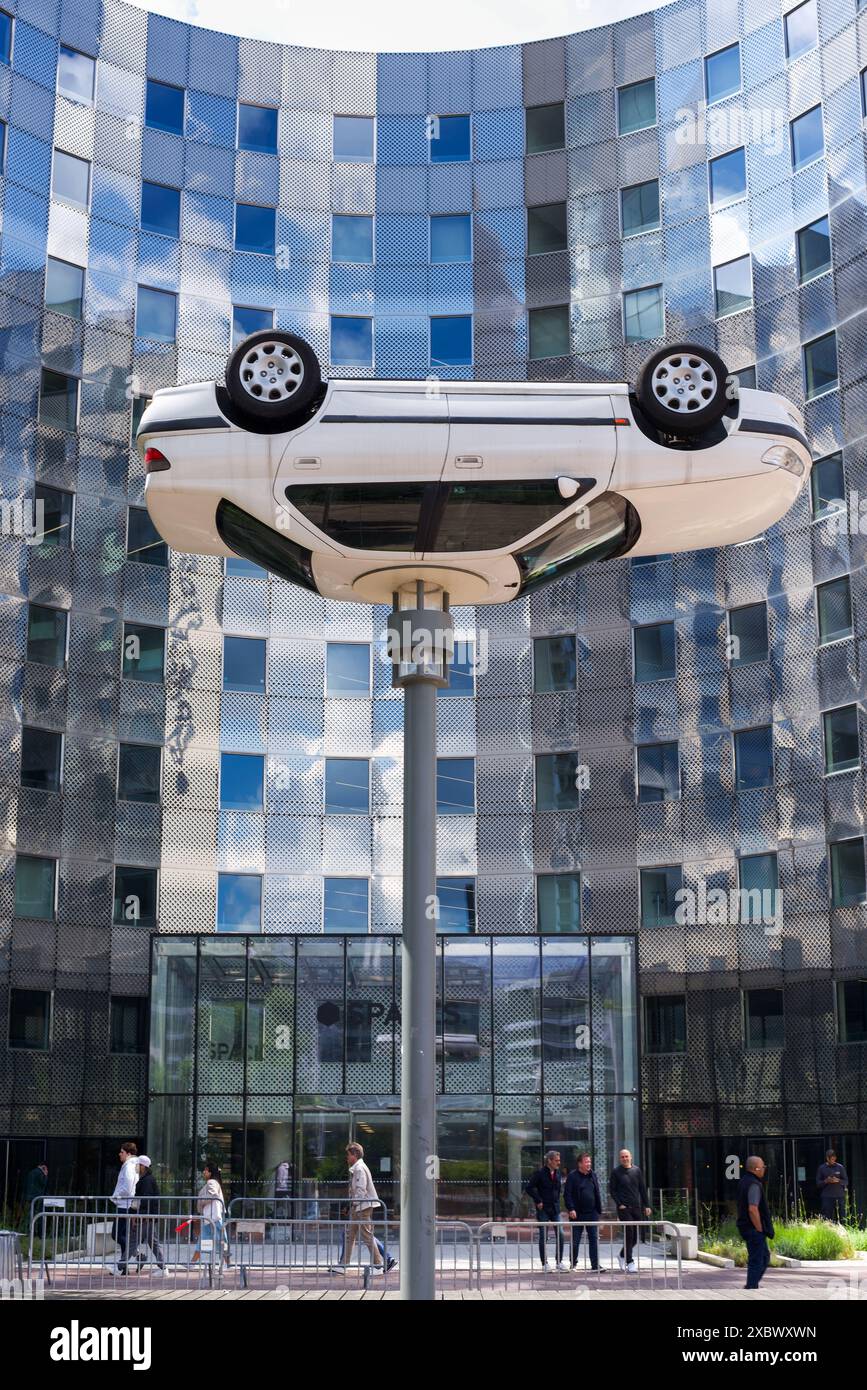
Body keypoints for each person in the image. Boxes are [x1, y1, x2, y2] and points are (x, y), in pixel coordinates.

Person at [330, 1143, 386, 1275]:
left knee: (366, 1235)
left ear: (354, 1155)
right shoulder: (358, 1167)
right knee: (350, 1235)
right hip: (359, 1207)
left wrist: (353, 1204)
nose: (347, 1158)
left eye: (348, 1155)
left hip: (362, 1207)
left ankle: (378, 1265)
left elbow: (361, 1190)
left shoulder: (359, 1168)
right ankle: (344, 1265)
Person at [736, 1155, 774, 1290]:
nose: (764, 1169)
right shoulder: (753, 1184)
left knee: (763, 1257)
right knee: (758, 1260)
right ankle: (751, 1287)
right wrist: (759, 1229)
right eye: (763, 1166)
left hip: (747, 1227)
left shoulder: (744, 1181)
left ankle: (752, 1285)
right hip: (753, 1229)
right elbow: (753, 1209)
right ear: (756, 1168)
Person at [609, 1147, 651, 1272]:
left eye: (626, 1156)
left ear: (631, 1157)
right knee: (629, 1234)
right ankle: (630, 1262)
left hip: (636, 1207)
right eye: (622, 1157)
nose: (624, 1158)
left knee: (634, 1239)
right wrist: (619, 1203)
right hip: (624, 1209)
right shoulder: (616, 1172)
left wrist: (647, 1205)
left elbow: (642, 1189)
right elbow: (612, 1190)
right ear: (619, 1159)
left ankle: (622, 1255)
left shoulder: (636, 1170)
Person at [526, 1150, 565, 1270]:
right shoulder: (540, 1173)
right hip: (543, 1209)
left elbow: (558, 1190)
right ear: (549, 1161)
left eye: (559, 1160)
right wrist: (538, 1200)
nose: (559, 1163)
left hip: (555, 1208)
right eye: (556, 1160)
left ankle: (559, 1262)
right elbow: (529, 1188)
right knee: (543, 1235)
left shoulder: (558, 1173)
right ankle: (545, 1263)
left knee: (561, 1234)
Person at [564, 1152, 603, 1271]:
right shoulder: (572, 1176)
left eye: (589, 1162)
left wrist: (598, 1209)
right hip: (577, 1214)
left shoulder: (593, 1175)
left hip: (592, 1213)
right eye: (586, 1162)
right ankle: (573, 1263)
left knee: (594, 1240)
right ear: (580, 1164)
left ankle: (595, 1265)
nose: (589, 1164)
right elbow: (567, 1194)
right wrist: (571, 1208)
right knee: (575, 1241)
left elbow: (596, 1192)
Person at [109, 1141, 139, 1276]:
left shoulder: (128, 1166)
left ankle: (134, 1254)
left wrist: (116, 1196)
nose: (119, 1154)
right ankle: (125, 1266)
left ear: (128, 1153)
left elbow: (127, 1188)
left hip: (124, 1205)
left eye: (121, 1152)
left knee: (116, 1234)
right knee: (122, 1235)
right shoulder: (132, 1165)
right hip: (125, 1204)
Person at [191, 1163, 230, 1268]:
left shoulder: (211, 1182)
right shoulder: (214, 1182)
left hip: (213, 1217)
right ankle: (193, 1262)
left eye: (206, 1170)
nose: (204, 1172)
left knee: (218, 1240)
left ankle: (193, 1263)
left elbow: (213, 1195)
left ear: (210, 1172)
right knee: (212, 1240)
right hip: (212, 1216)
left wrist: (200, 1201)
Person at [132, 1156, 166, 1274]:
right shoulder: (146, 1179)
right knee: (152, 1241)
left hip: (146, 1217)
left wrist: (142, 1216)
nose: (136, 1167)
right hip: (147, 1216)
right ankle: (163, 1267)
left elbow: (146, 1199)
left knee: (133, 1241)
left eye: (138, 1164)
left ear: (143, 1166)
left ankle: (120, 1265)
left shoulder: (146, 1180)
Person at [816, 1150, 848, 1222]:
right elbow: (818, 1183)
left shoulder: (840, 1167)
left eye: (834, 1159)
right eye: (831, 1159)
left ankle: (842, 1231)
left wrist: (838, 1180)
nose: (833, 1161)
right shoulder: (822, 1168)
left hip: (840, 1196)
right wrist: (826, 1181)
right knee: (827, 1217)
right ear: (827, 1158)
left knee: (842, 1216)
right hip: (827, 1196)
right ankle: (828, 1231)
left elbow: (846, 1181)